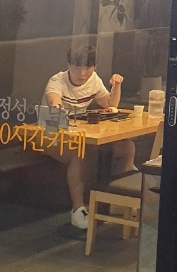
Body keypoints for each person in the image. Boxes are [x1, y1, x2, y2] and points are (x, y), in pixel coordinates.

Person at [42, 46, 134, 229]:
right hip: (49, 134)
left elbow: (110, 104)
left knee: (126, 147)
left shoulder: (94, 80)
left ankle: (117, 199)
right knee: (79, 153)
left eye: (87, 68)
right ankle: (78, 209)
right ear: (69, 65)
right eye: (77, 68)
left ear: (95, 67)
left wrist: (116, 86)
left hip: (79, 135)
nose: (82, 74)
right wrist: (56, 106)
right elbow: (54, 100)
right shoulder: (57, 81)